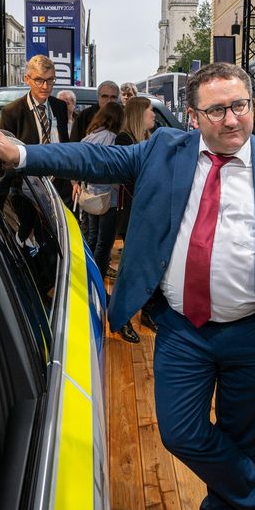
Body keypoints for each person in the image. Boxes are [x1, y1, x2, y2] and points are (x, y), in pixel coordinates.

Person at [0, 62, 255, 510]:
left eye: (240, 106)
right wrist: (21, 154)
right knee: (181, 433)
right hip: (184, 330)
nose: (232, 119)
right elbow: (94, 160)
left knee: (240, 442)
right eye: (217, 110)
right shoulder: (165, 150)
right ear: (193, 116)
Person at [0, 55, 71, 200]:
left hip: (59, 188)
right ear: (27, 79)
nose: (45, 86)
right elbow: (4, 157)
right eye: (39, 80)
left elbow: (65, 144)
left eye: (50, 80)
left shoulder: (60, 106)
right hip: (27, 191)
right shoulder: (12, 112)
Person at [114, 95, 157, 340]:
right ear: (139, 113)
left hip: (146, 212)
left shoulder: (146, 138)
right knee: (131, 270)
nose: (154, 115)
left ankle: (147, 314)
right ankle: (122, 319)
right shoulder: (125, 139)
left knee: (149, 267)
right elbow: (129, 175)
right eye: (151, 110)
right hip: (132, 213)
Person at [79, 102, 125, 284]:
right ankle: (96, 280)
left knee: (92, 238)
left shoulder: (88, 138)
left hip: (91, 196)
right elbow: (115, 170)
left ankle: (86, 273)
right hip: (109, 198)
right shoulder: (114, 139)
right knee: (104, 242)